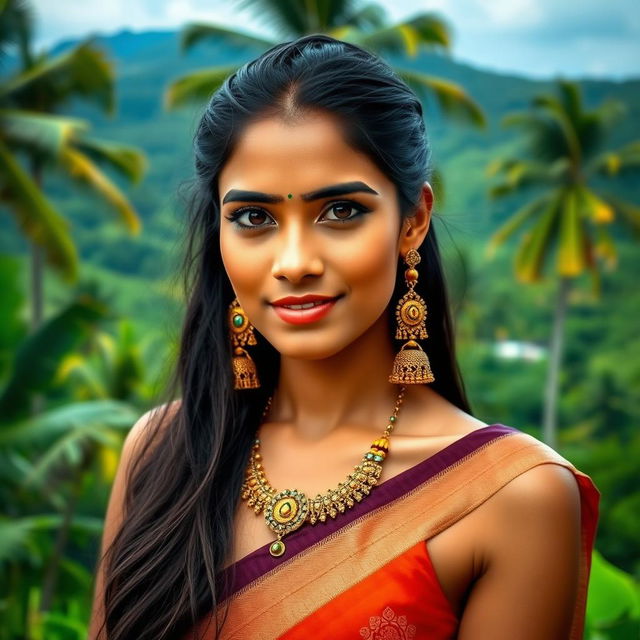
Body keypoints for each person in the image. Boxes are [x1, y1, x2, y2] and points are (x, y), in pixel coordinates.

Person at [88, 34, 600, 640]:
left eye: (341, 212)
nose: (295, 261)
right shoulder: (163, 452)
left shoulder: (510, 497)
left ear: (412, 221)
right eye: (254, 218)